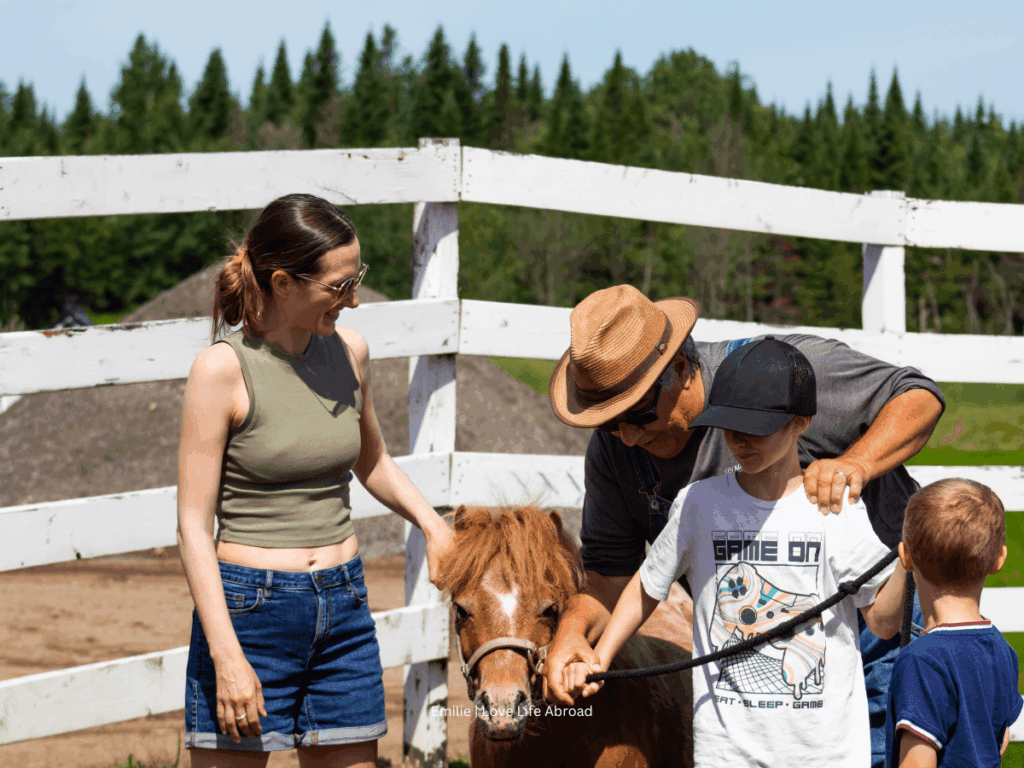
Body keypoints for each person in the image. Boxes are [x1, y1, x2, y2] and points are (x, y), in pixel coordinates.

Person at [544, 284, 945, 767]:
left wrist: (854, 465)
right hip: (754, 650)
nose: (626, 436)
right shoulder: (623, 458)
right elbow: (613, 574)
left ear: (679, 371)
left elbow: (919, 398)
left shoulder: (778, 376)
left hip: (875, 613)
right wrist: (573, 634)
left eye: (637, 413)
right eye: (607, 423)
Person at [176, 193, 453, 768]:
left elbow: (372, 462)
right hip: (249, 614)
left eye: (358, 279)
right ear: (282, 283)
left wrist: (433, 524)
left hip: (344, 609)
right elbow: (192, 527)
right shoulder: (221, 371)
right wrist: (227, 657)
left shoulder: (350, 353)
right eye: (338, 286)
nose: (352, 300)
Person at [886, 478, 1021, 768]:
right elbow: (999, 740)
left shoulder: (921, 660)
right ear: (999, 559)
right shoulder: (1003, 649)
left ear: (906, 557)